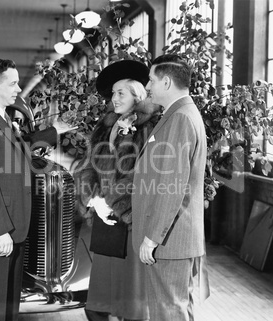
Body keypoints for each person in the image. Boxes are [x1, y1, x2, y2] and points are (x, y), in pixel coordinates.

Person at [0, 58, 71, 321]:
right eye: (12, 83)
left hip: (13, 228)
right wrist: (1, 230)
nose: (17, 89)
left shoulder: (0, 117)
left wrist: (54, 131)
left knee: (7, 307)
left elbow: (19, 146)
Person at [74, 60, 161, 321]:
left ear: (137, 94)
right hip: (106, 221)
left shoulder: (153, 126)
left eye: (120, 92)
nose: (114, 98)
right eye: (112, 93)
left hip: (134, 222)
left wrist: (114, 199)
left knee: (131, 304)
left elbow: (148, 175)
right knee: (99, 303)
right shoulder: (105, 125)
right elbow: (87, 166)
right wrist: (94, 201)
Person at [131, 54, 209, 321]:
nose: (148, 86)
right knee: (174, 308)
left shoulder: (180, 119)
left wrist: (152, 237)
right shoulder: (179, 114)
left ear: (166, 82)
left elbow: (171, 185)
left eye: (151, 80)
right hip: (174, 239)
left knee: (168, 311)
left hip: (169, 240)